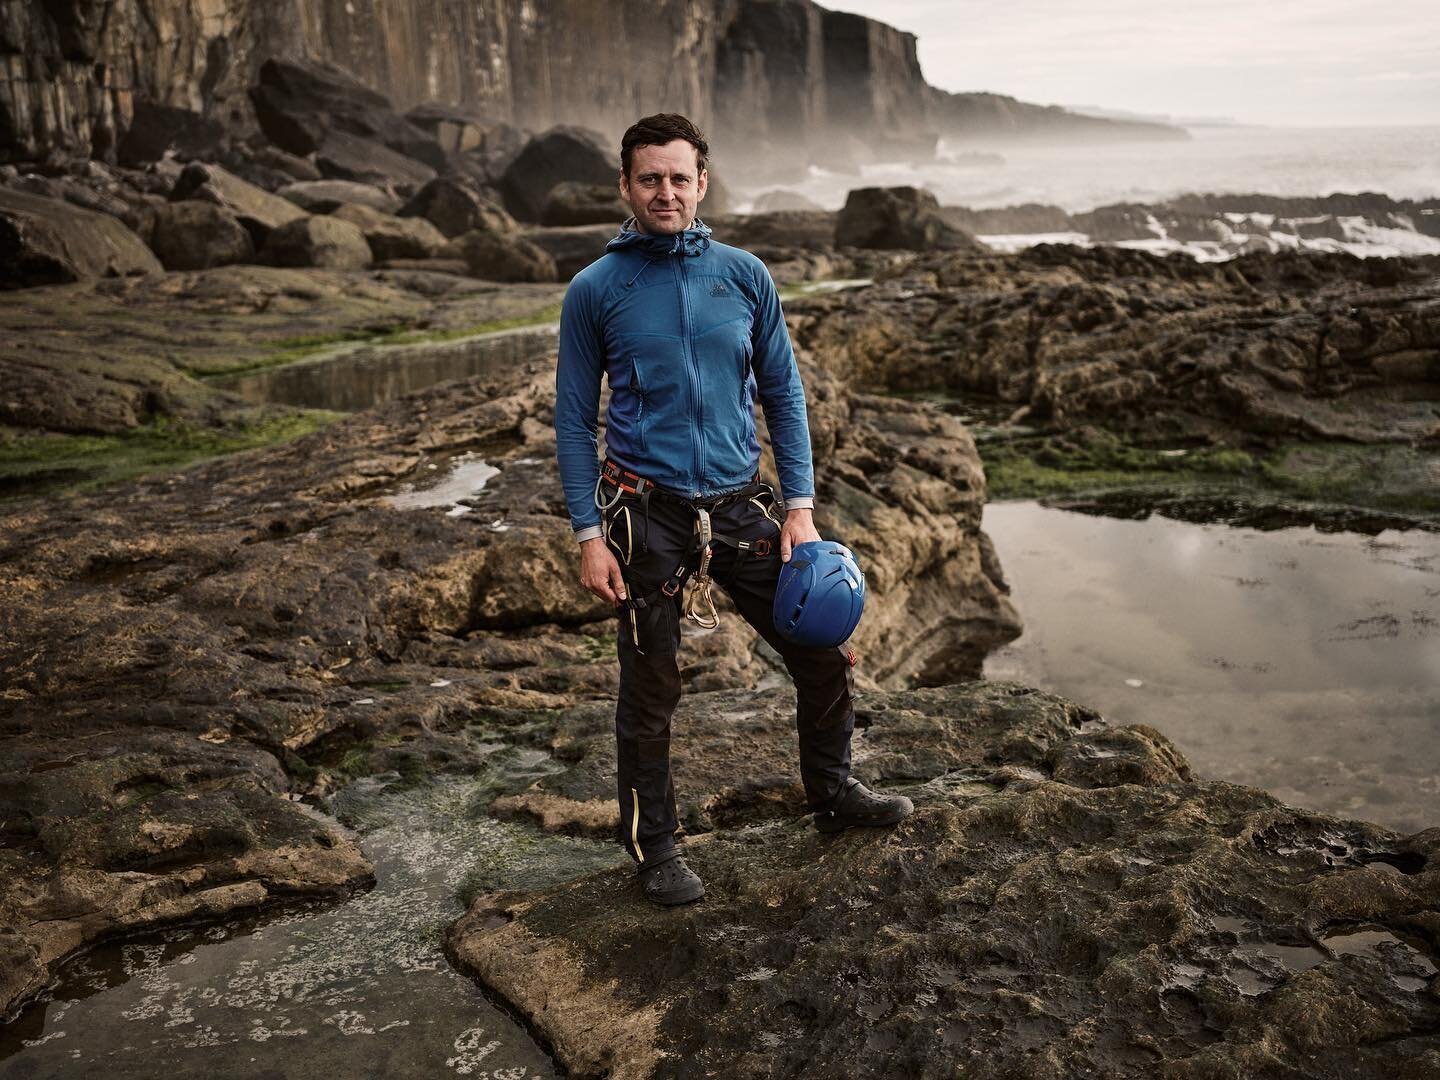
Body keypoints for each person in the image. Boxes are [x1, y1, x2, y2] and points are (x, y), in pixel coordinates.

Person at [553, 113, 913, 906]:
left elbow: (784, 392)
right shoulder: (595, 291)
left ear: (703, 183)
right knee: (651, 690)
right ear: (625, 186)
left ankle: (833, 790)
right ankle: (657, 850)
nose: (666, 192)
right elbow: (574, 419)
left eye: (680, 178)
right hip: (643, 516)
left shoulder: (744, 275)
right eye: (650, 178)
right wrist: (588, 533)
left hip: (745, 509)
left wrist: (800, 507)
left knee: (822, 651)